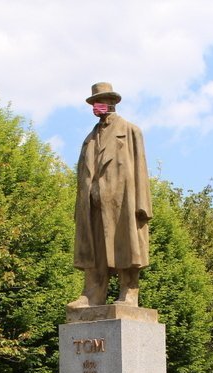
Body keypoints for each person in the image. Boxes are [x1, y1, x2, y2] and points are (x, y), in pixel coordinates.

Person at [68, 82, 153, 309]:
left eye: (101, 100)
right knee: (94, 251)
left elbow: (141, 170)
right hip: (92, 206)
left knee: (125, 247)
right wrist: (80, 209)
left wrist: (143, 206)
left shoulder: (130, 131)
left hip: (122, 202)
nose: (97, 106)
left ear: (112, 102)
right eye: (94, 102)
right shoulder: (89, 139)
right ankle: (93, 293)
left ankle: (129, 291)